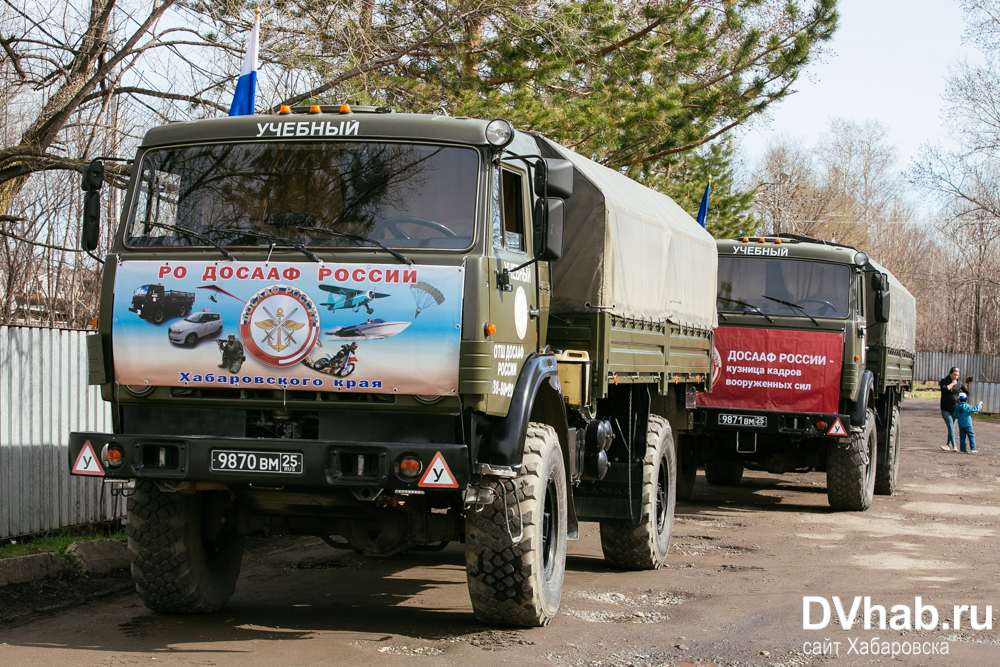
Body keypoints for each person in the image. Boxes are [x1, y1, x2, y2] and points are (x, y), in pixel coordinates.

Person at [939, 367, 969, 451]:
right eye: (954, 375)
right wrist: (952, 384)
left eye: (957, 375)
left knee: (951, 427)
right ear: (950, 374)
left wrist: (963, 401)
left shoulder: (959, 383)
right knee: (950, 426)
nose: (956, 377)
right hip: (945, 408)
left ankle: (948, 445)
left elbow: (967, 392)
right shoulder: (944, 381)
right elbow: (943, 389)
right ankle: (954, 445)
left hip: (955, 409)